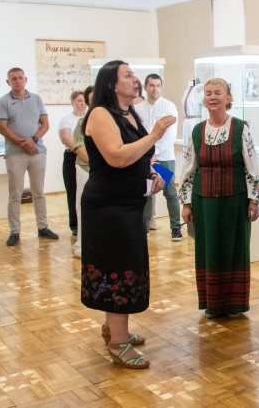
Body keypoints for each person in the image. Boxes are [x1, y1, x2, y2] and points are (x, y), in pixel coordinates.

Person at [80, 60, 175, 369]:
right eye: (128, 75)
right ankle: (118, 343)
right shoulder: (100, 113)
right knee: (118, 270)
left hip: (129, 203)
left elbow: (140, 156)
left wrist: (154, 173)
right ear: (112, 84)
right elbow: (117, 157)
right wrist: (155, 134)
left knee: (127, 267)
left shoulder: (128, 113)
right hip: (108, 207)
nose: (136, 79)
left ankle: (114, 328)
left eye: (134, 74)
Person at [179, 78, 259, 318]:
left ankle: (234, 304)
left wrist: (254, 200)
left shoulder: (240, 128)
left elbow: (251, 165)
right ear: (204, 99)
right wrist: (186, 203)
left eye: (218, 92)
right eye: (208, 93)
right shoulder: (197, 130)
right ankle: (212, 303)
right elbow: (189, 167)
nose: (212, 97)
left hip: (235, 201)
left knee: (235, 251)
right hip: (204, 202)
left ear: (228, 98)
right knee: (208, 251)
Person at [0, 67, 58, 246]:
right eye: (13, 79)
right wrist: (23, 144)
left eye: (20, 78)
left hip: (37, 152)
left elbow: (45, 124)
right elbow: (3, 128)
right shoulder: (3, 102)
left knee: (38, 192)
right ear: (8, 82)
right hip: (15, 154)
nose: (17, 81)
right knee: (15, 194)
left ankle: (43, 227)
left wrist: (33, 140)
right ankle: (15, 232)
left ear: (25, 79)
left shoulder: (37, 99)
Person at [135, 74, 181, 240]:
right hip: (145, 158)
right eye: (152, 85)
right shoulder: (138, 109)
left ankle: (176, 228)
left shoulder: (169, 106)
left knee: (170, 192)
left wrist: (154, 153)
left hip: (164, 158)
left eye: (158, 85)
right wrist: (145, 154)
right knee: (147, 193)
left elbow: (170, 134)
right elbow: (137, 133)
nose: (155, 89)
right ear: (145, 87)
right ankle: (145, 227)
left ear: (161, 87)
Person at [58, 90, 86, 236]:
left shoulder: (91, 117)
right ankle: (75, 224)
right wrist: (80, 151)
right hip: (72, 157)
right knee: (73, 192)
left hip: (89, 158)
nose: (82, 103)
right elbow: (66, 138)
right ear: (72, 102)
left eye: (84, 101)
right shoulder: (66, 119)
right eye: (79, 101)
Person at [71, 85, 94, 259]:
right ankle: (80, 243)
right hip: (86, 169)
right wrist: (99, 164)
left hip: (104, 173)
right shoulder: (82, 122)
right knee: (82, 206)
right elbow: (79, 148)